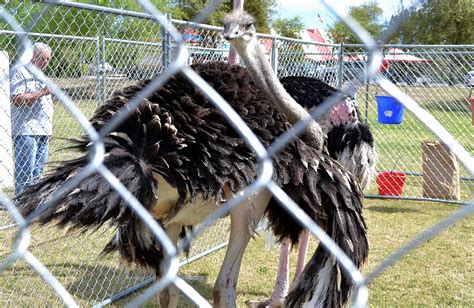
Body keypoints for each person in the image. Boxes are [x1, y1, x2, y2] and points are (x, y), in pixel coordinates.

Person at [10, 42, 53, 196]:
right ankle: (21, 200)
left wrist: (48, 128)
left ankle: (32, 201)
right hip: (26, 130)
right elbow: (17, 98)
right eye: (43, 58)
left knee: (38, 170)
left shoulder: (41, 76)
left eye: (48, 60)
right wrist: (41, 93)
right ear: (33, 56)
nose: (46, 63)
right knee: (25, 170)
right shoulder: (21, 72)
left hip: (42, 130)